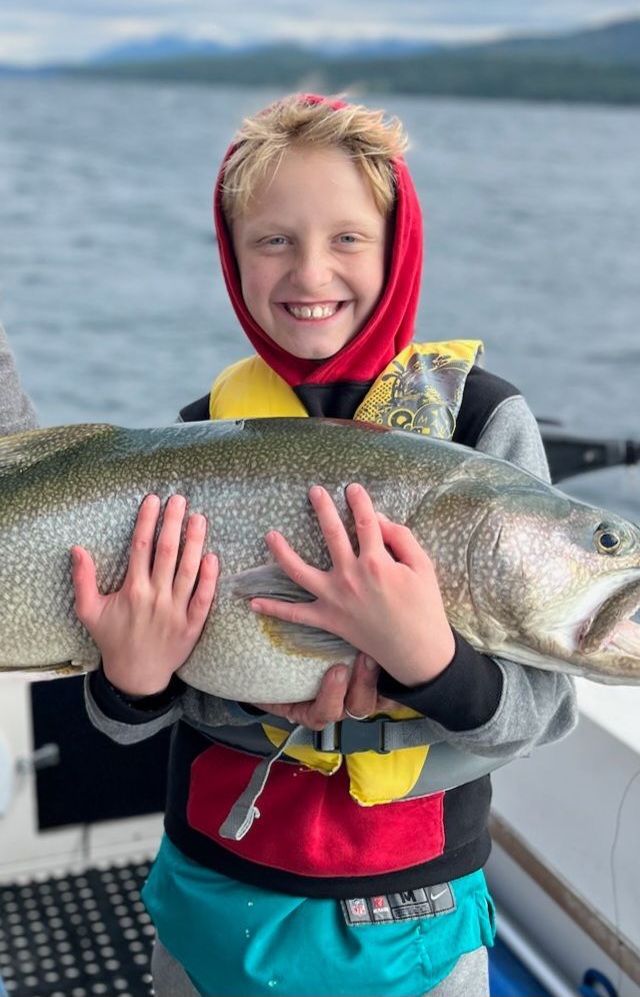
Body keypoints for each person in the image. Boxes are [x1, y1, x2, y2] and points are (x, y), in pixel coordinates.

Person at [3, 95, 577, 997]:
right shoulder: (197, 437)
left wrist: (430, 661)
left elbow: (543, 711)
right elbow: (118, 717)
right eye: (273, 240)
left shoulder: (481, 425)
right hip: (213, 889)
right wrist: (131, 674)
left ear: (399, 243)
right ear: (233, 260)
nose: (311, 269)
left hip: (412, 903)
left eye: (348, 237)